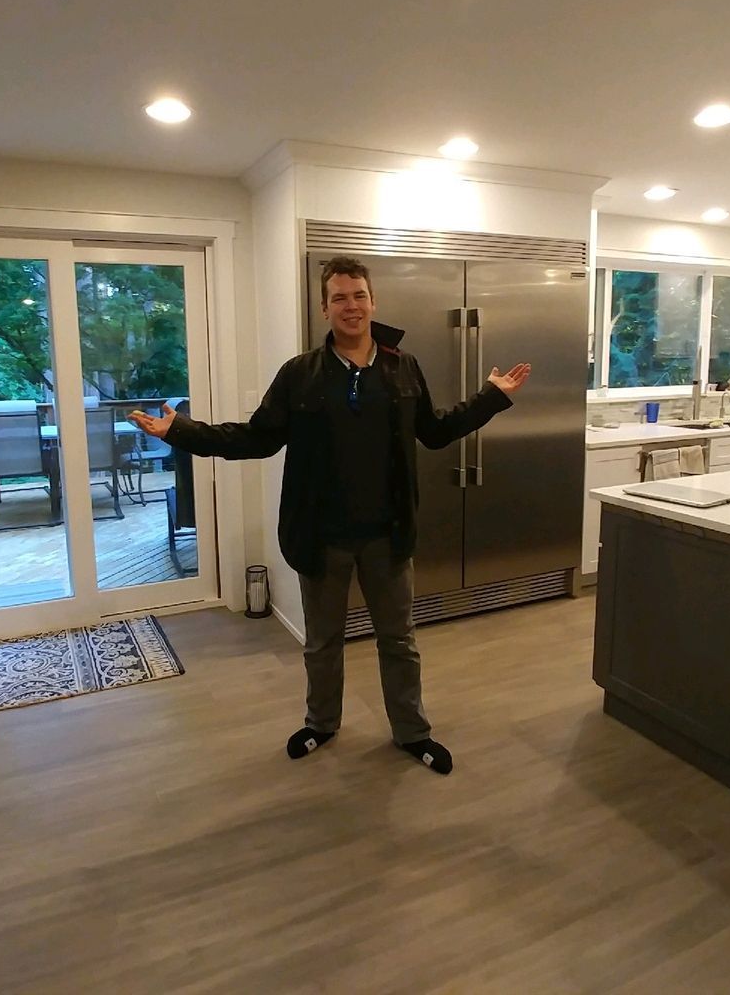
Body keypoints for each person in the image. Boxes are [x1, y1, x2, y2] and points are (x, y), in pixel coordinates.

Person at [129, 256, 529, 775]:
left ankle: (413, 732)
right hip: (321, 535)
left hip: (388, 533)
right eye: (339, 297)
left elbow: (432, 430)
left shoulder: (402, 366)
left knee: (399, 640)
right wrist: (182, 432)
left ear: (373, 301)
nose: (351, 306)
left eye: (358, 295)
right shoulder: (300, 374)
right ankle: (322, 723)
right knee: (322, 641)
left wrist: (491, 398)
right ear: (324, 308)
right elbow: (256, 438)